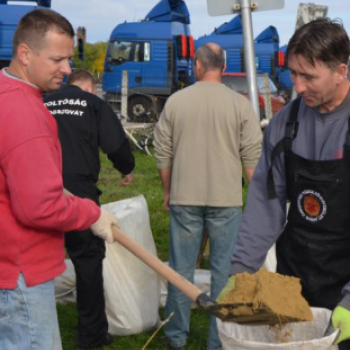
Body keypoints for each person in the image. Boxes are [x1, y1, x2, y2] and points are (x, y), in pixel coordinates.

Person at [218, 18, 350, 349]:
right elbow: (265, 204)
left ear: (341, 71)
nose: (299, 86)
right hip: (296, 274)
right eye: (293, 74)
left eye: (309, 76)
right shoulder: (284, 124)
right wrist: (242, 272)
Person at [0, 9, 119, 350]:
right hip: (21, 273)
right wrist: (92, 215)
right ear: (25, 54)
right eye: (57, 59)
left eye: (69, 58)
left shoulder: (5, 91)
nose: (67, 70)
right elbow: (39, 207)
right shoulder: (25, 114)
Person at [153, 43, 262, 350]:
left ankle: (176, 336)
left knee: (180, 270)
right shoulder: (240, 105)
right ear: (223, 68)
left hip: (184, 197)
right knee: (224, 273)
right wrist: (258, 199)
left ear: (198, 66)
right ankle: (219, 341)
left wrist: (167, 190)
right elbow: (252, 157)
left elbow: (163, 152)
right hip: (227, 200)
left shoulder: (176, 101)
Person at [44, 69, 135, 349]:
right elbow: (114, 142)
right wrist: (127, 168)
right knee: (87, 261)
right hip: (79, 193)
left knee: (37, 259)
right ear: (90, 88)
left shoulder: (42, 101)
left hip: (41, 186)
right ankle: (91, 336)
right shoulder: (93, 104)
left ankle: (36, 330)